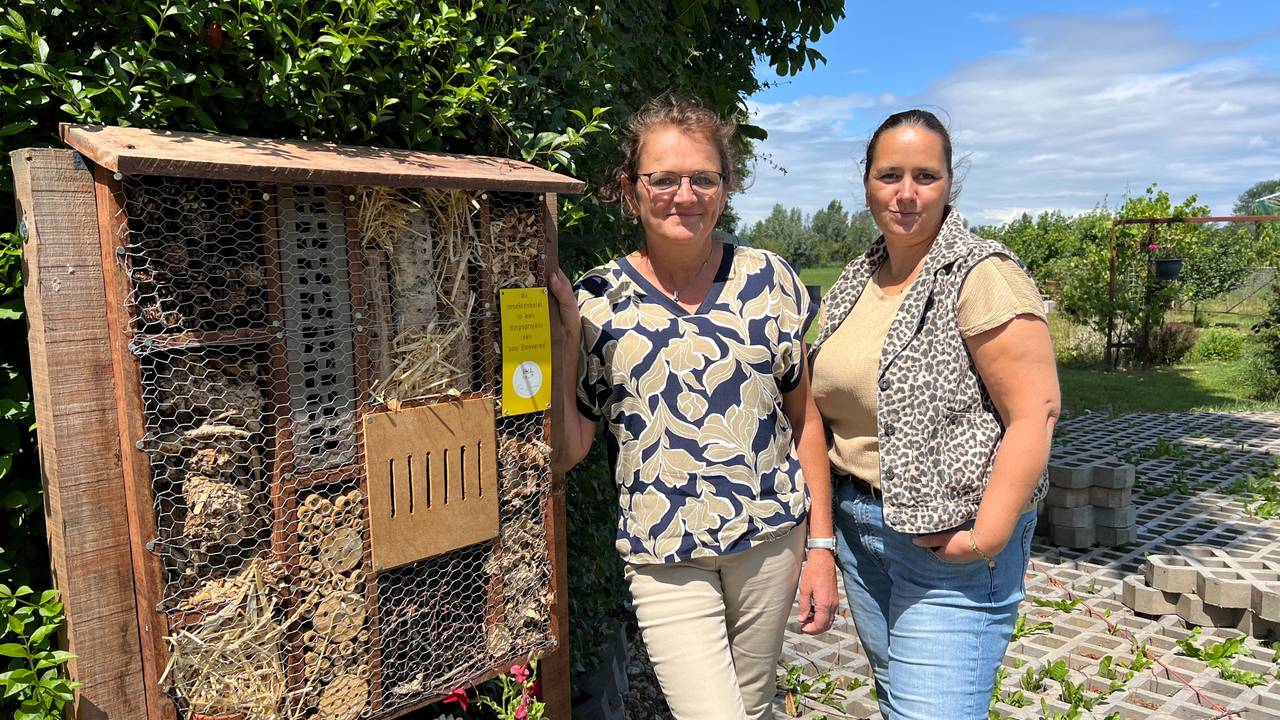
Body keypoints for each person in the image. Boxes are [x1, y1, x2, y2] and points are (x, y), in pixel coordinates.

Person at [547, 93, 839, 720]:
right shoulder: (598, 300)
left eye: (703, 178)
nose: (685, 194)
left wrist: (821, 546)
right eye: (664, 179)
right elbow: (569, 451)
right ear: (630, 189)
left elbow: (804, 418)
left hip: (770, 542)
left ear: (726, 187)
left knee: (754, 704)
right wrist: (568, 338)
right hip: (663, 555)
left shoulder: (770, 281)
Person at [809, 109, 1060, 720]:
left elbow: (1038, 411)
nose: (905, 194)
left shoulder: (981, 275)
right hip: (862, 527)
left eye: (926, 176)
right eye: (889, 175)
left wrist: (988, 534)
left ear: (950, 184)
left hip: (950, 539)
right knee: (901, 701)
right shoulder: (859, 279)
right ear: (866, 182)